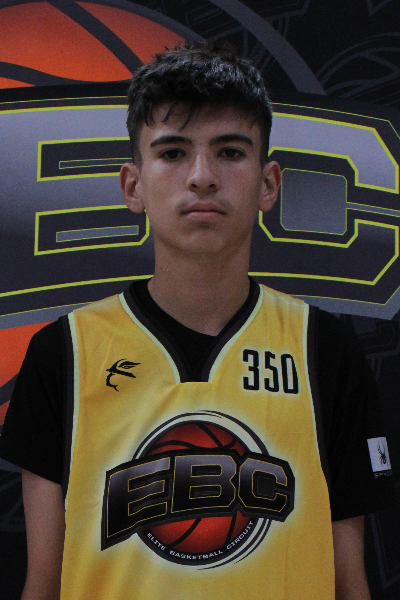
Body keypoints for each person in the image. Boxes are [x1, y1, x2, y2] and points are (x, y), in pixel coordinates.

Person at [0, 42, 393, 600]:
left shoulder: (324, 349)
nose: (203, 176)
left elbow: (351, 583)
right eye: (173, 152)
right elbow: (42, 583)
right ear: (133, 185)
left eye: (230, 152)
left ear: (268, 183)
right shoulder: (63, 353)